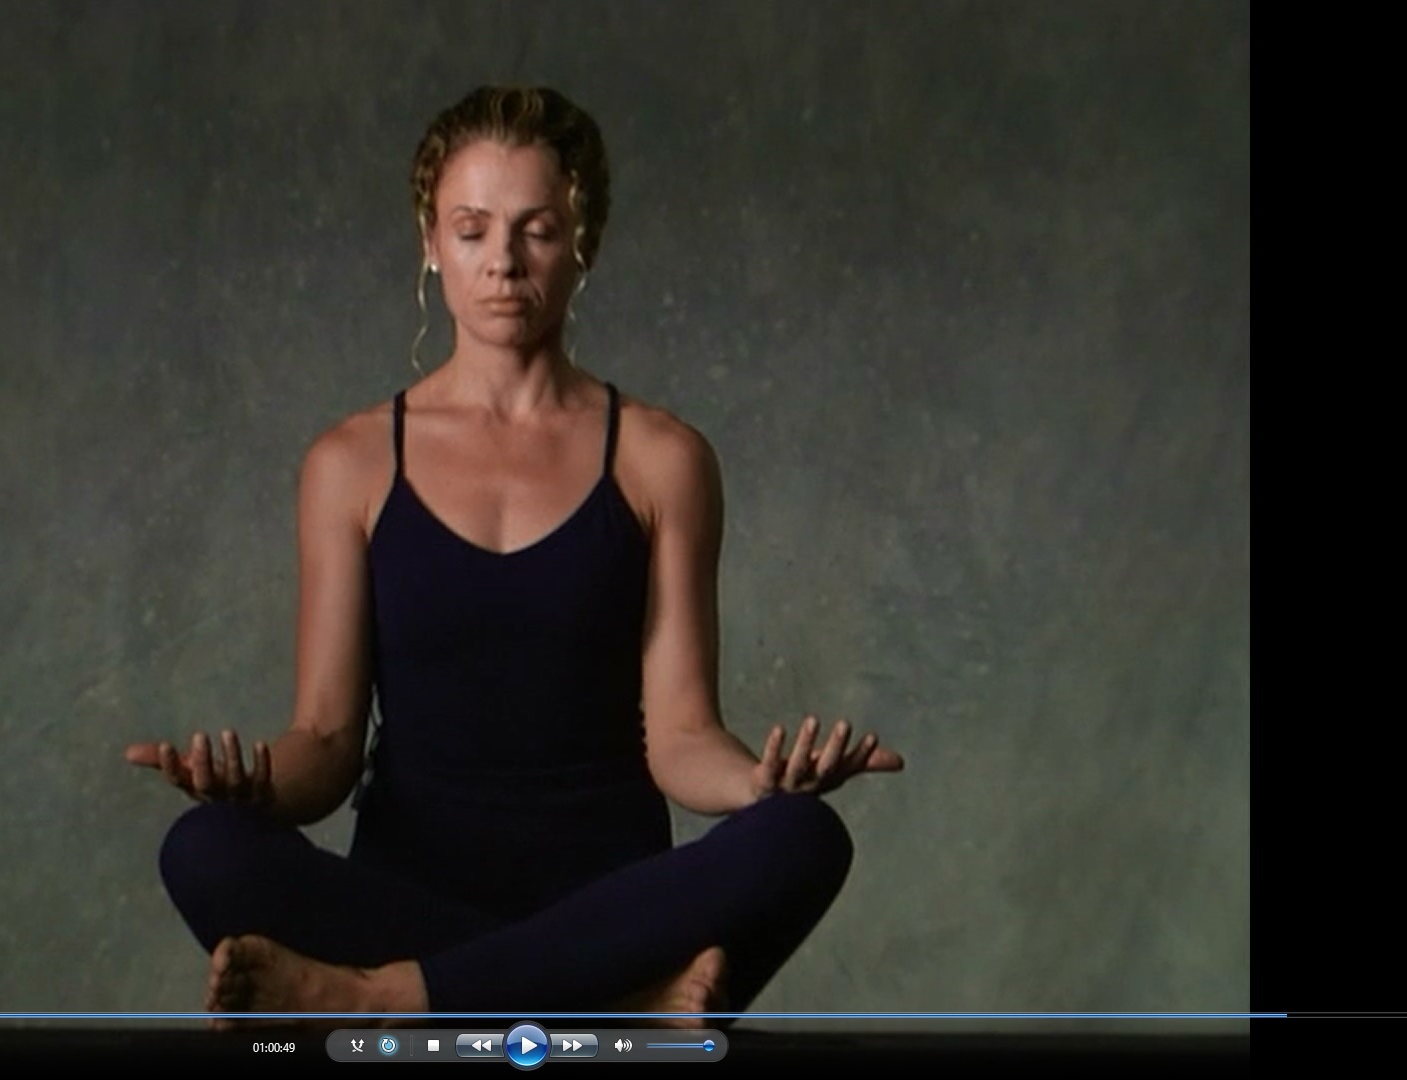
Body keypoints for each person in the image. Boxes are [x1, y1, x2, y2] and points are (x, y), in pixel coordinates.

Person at [125, 85, 903, 1030]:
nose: (502, 261)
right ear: (430, 241)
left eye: (537, 230)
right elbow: (324, 743)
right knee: (204, 847)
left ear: (584, 242)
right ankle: (617, 1008)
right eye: (471, 229)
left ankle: (392, 997)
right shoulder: (350, 463)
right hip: (410, 889)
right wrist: (251, 788)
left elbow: (682, 736)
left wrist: (760, 786)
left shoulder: (662, 459)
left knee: (802, 837)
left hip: (610, 898)